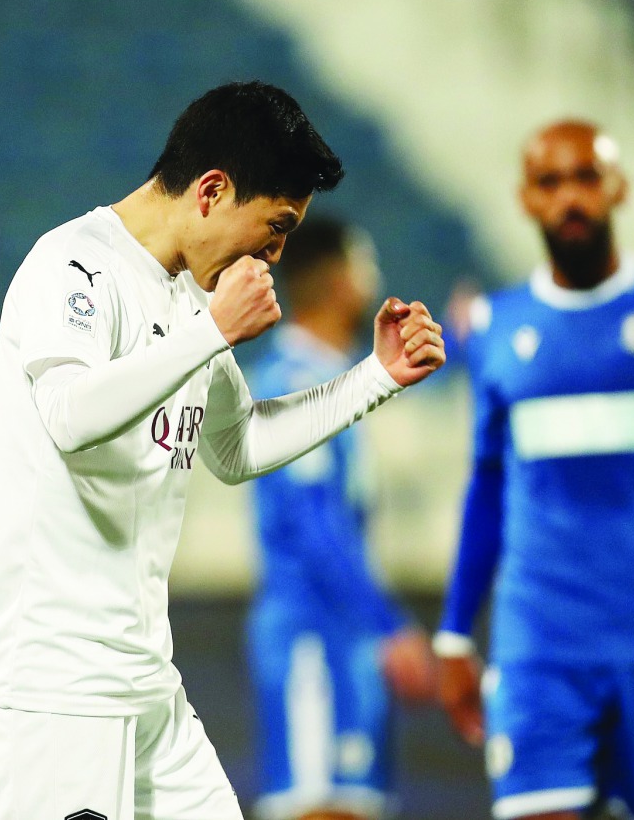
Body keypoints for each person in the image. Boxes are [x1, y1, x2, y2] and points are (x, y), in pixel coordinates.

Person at [0, 81, 447, 820]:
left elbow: (237, 445)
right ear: (211, 191)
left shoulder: (184, 297)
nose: (278, 253)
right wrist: (211, 333)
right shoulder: (73, 267)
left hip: (144, 683)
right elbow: (67, 415)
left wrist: (376, 377)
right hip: (46, 692)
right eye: (275, 226)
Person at [434, 120, 634, 820]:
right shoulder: (496, 327)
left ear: (618, 187)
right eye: (550, 182)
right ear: (526, 199)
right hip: (540, 646)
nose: (571, 199)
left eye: (587, 177)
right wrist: (456, 632)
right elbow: (488, 488)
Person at [240, 217, 437, 820]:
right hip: (311, 638)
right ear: (334, 279)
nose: (373, 280)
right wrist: (387, 623)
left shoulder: (335, 379)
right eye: (363, 265)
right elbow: (313, 530)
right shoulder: (292, 386)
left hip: (344, 639)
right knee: (319, 807)